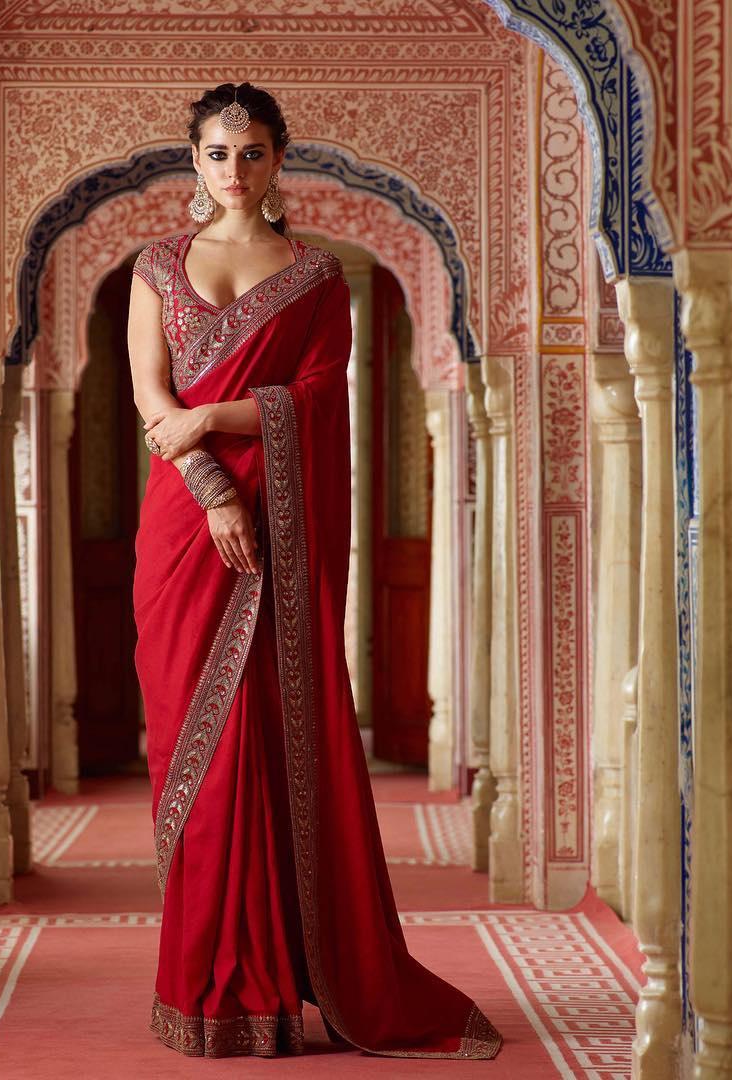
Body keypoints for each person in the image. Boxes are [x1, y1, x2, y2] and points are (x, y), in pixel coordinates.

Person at [126, 80, 502, 1061]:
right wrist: (211, 487)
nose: (233, 170)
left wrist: (212, 419)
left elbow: (314, 395)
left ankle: (266, 982)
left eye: (252, 153)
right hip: (184, 533)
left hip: (275, 537)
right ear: (193, 160)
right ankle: (207, 990)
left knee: (270, 743)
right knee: (192, 762)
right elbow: (150, 405)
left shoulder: (315, 275)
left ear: (280, 159)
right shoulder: (154, 269)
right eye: (216, 152)